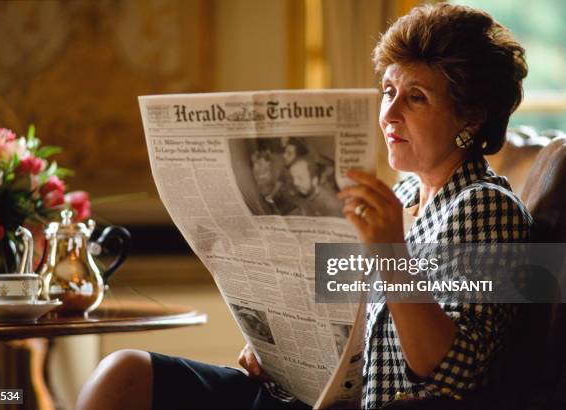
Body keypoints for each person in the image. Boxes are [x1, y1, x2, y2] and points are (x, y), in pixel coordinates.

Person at [75, 4, 530, 409]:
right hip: (304, 395)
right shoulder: (403, 194)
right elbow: (344, 327)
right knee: (125, 372)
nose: (390, 114)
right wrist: (277, 350)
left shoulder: (486, 206)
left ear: (470, 117)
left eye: (416, 97)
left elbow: (453, 369)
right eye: (388, 90)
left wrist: (389, 250)